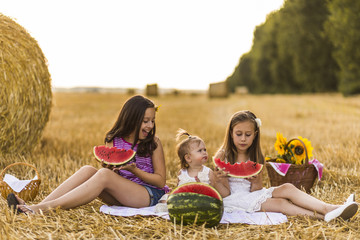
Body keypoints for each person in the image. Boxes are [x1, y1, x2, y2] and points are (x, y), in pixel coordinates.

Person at [7, 95, 169, 214]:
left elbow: (161, 181)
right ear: (132, 119)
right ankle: (33, 207)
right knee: (87, 170)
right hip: (121, 195)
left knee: (104, 174)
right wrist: (111, 168)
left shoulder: (153, 143)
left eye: (152, 120)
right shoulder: (114, 140)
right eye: (145, 121)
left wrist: (135, 170)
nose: (150, 126)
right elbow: (113, 176)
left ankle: (41, 209)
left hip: (149, 195)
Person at [213, 110, 358, 222]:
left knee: (287, 188)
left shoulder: (257, 157)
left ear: (255, 134)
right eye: (239, 134)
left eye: (248, 134)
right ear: (231, 133)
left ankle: (330, 208)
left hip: (252, 194)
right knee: (281, 204)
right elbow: (225, 195)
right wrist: (218, 180)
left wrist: (255, 180)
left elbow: (256, 190)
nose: (243, 138)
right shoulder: (222, 156)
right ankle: (324, 217)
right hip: (234, 200)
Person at [155, 129, 227, 212]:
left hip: (202, 201)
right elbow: (179, 189)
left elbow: (214, 191)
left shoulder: (208, 172)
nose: (204, 152)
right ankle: (168, 207)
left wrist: (201, 187)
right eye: (200, 151)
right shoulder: (182, 173)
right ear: (188, 158)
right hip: (184, 200)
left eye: (205, 150)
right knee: (166, 198)